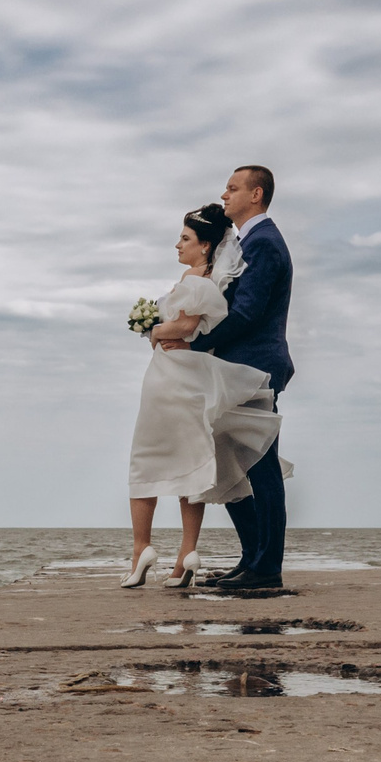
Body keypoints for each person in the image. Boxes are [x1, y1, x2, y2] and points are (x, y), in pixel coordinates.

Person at [121, 204, 283, 588]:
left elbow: (188, 326)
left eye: (185, 238)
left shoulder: (197, 282)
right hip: (184, 379)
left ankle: (141, 549)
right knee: (189, 462)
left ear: (206, 245)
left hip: (169, 379)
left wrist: (156, 330)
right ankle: (185, 555)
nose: (178, 244)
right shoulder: (203, 278)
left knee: (145, 462)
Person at [172, 164, 294, 589]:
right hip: (235, 366)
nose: (225, 195)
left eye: (232, 188)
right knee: (231, 464)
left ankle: (267, 569)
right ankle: (252, 557)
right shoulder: (247, 242)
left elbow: (248, 312)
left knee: (260, 467)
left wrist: (195, 345)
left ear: (256, 195)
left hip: (254, 366)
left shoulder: (264, 242)